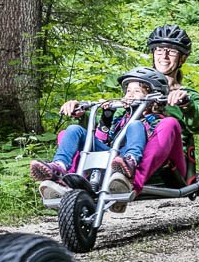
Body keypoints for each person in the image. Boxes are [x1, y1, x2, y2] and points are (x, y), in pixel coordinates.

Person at [30, 67, 170, 197]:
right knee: (74, 130)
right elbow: (101, 140)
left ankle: (129, 163)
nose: (130, 95)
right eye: (128, 91)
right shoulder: (121, 119)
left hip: (131, 158)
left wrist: (138, 119)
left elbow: (154, 145)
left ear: (154, 98)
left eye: (137, 91)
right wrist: (107, 115)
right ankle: (59, 167)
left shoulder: (157, 121)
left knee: (135, 125)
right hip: (111, 156)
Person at [138, 23, 199, 186]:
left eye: (172, 51)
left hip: (171, 168)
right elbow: (113, 122)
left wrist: (186, 104)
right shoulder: (138, 91)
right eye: (159, 50)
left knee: (168, 124)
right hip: (135, 156)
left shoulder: (189, 95)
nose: (164, 56)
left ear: (182, 58)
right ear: (153, 54)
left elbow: (198, 126)